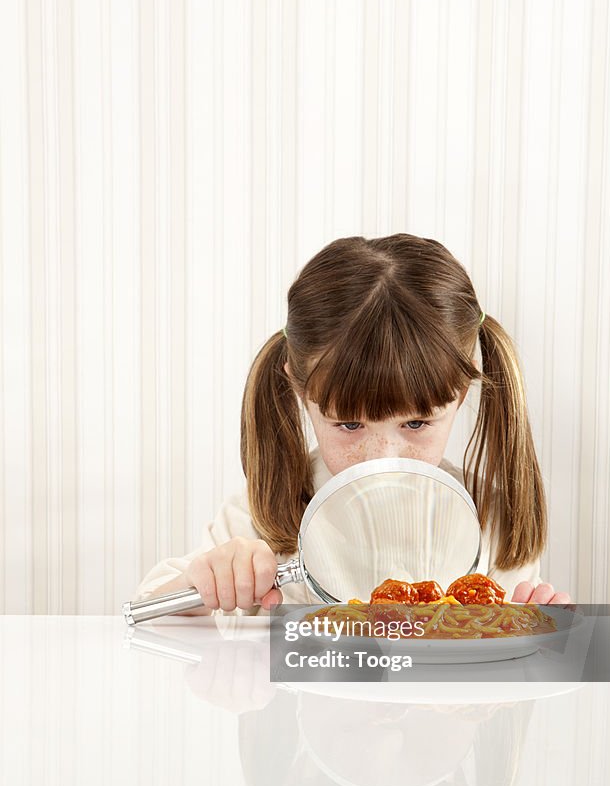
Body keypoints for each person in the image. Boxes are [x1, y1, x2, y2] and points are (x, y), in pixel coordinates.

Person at [133, 234, 571, 615]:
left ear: (458, 395)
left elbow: (496, 693)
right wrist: (208, 583)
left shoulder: (488, 519)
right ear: (302, 393)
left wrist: (518, 652)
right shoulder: (262, 515)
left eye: (416, 423)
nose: (382, 458)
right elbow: (148, 610)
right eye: (349, 425)